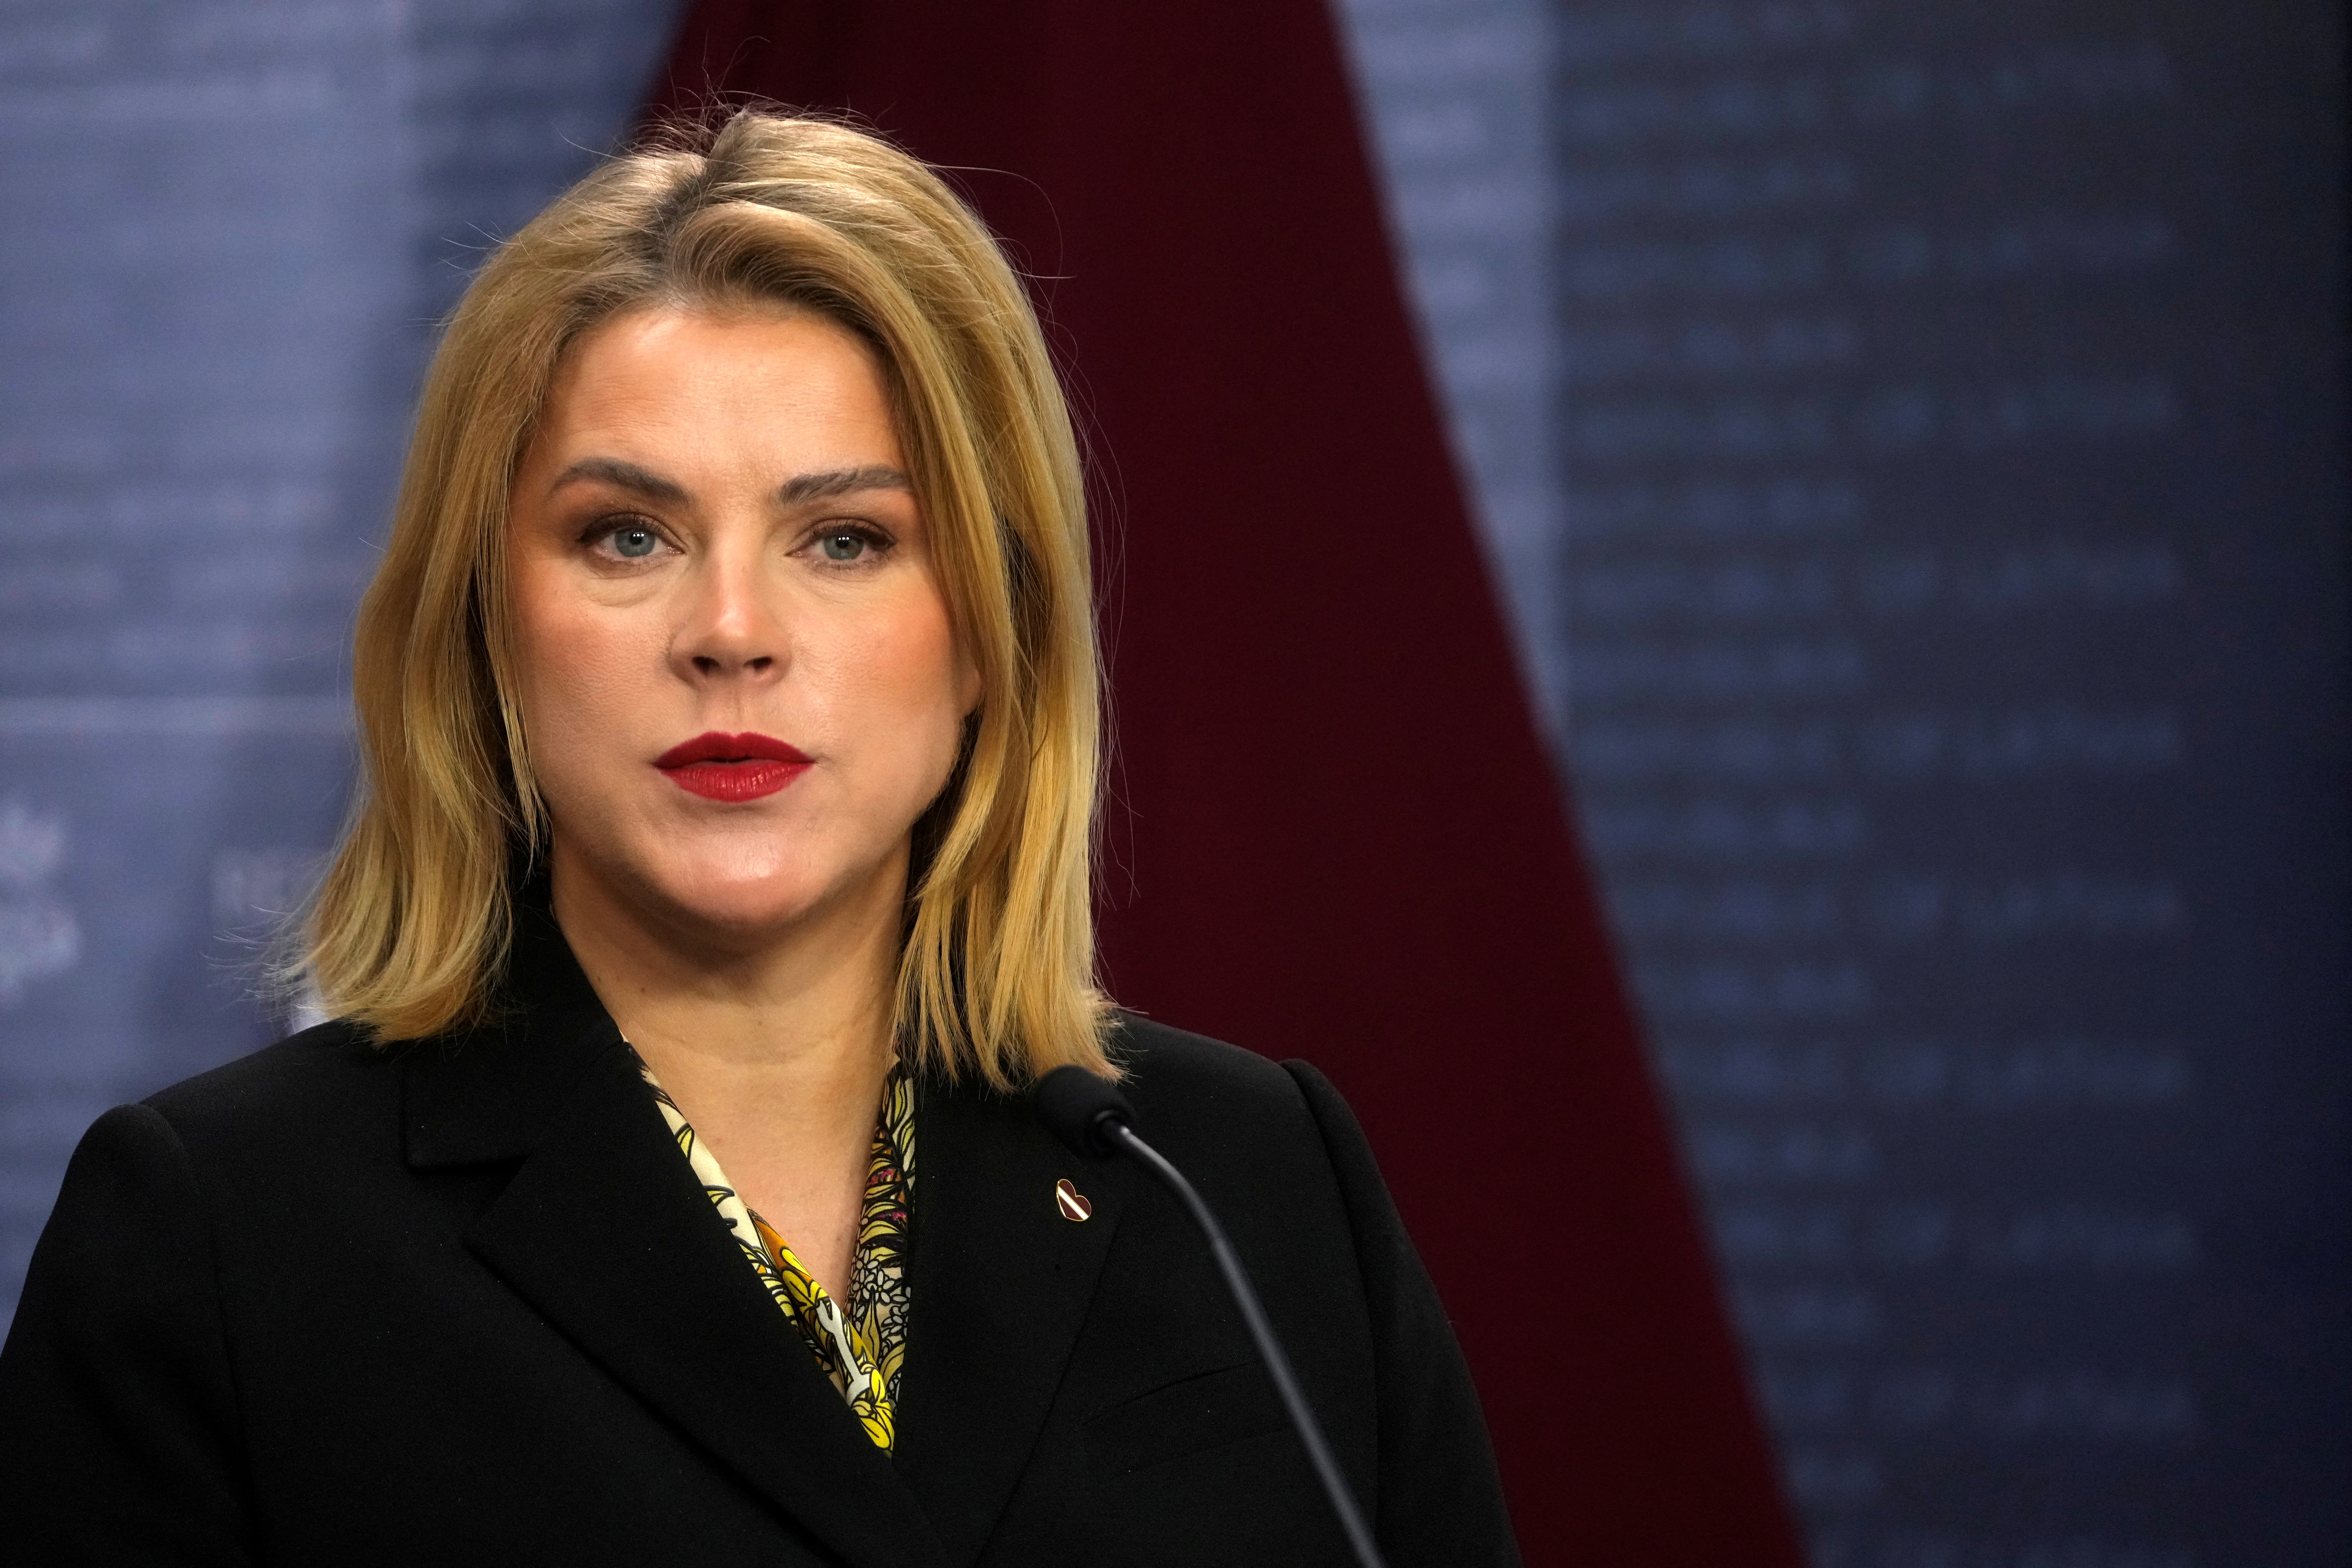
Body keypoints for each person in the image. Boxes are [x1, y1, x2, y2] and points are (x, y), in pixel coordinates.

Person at [0, 110, 1517, 1566]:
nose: (732, 633)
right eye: (628, 536)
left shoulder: (1254, 1179)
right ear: (485, 630)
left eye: (846, 539)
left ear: (993, 634)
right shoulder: (215, 1241)